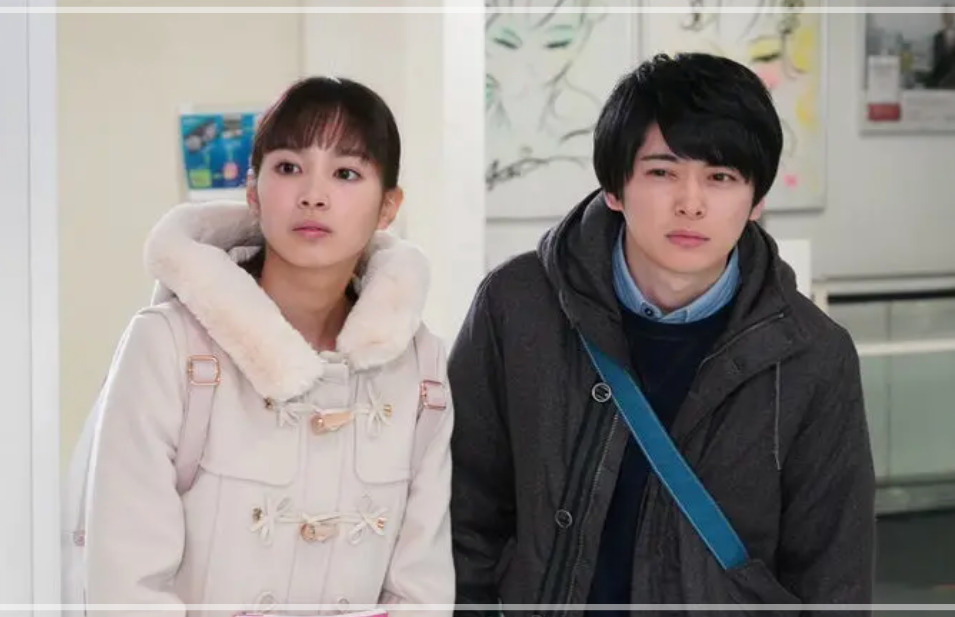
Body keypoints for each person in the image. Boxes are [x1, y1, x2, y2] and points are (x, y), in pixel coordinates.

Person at [448, 53, 875, 614]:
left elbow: (834, 571)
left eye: (721, 177)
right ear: (614, 187)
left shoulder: (812, 353)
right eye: (662, 172)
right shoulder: (518, 307)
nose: (690, 204)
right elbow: (463, 513)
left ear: (756, 200)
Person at [80, 76, 455, 616]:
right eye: (288, 167)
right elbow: (125, 587)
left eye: (346, 173)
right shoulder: (168, 344)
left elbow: (423, 588)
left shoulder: (420, 364)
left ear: (388, 206)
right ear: (253, 192)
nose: (313, 195)